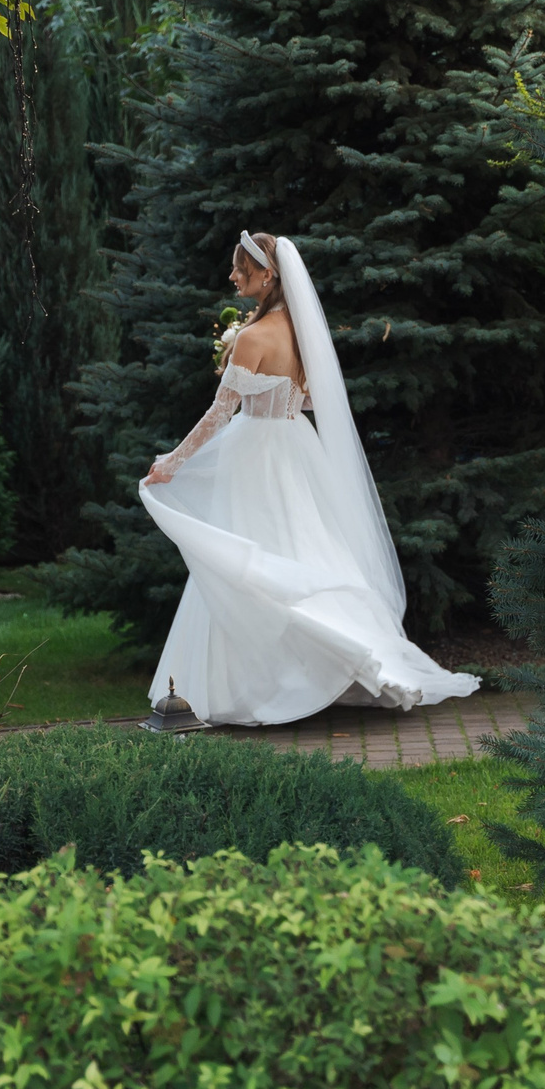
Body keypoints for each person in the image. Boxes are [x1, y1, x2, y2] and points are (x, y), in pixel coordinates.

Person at [138, 230, 479, 725]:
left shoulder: (253, 337)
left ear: (266, 274)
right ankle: (333, 661)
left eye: (240, 269)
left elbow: (218, 416)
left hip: (256, 449)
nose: (233, 277)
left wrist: (172, 461)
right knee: (303, 545)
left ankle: (261, 684)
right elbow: (317, 400)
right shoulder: (300, 332)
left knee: (251, 557)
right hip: (295, 444)